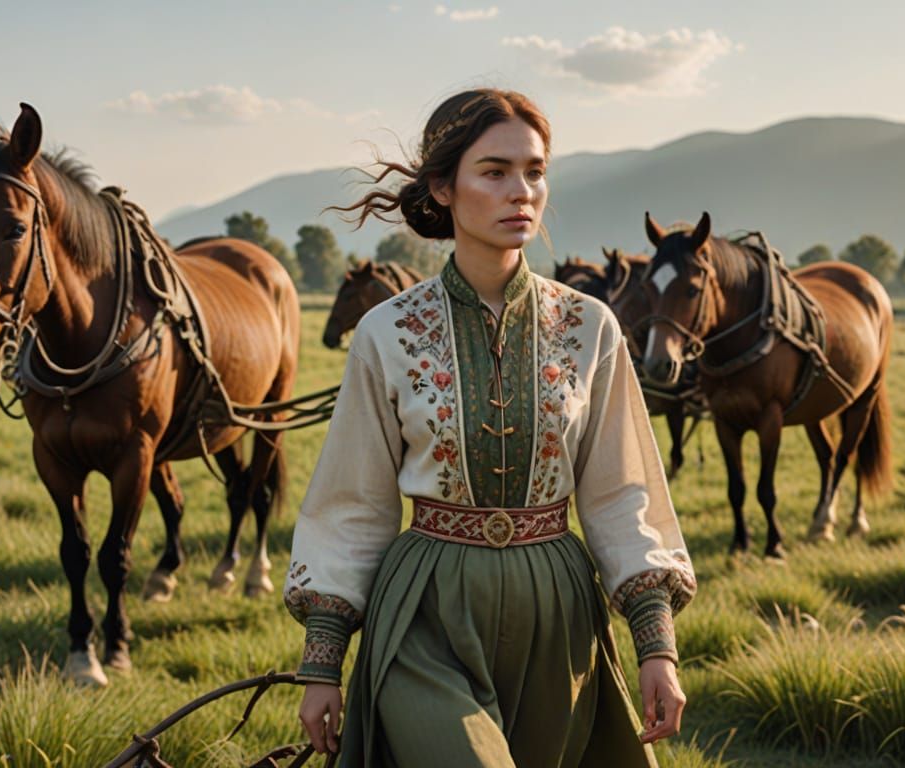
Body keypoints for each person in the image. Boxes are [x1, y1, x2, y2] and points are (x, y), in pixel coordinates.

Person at [284, 88, 696, 767]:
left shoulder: (591, 327)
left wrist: (657, 646)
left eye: (534, 172)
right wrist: (322, 661)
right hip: (426, 608)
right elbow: (351, 503)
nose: (522, 193)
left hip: (557, 612)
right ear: (443, 187)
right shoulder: (386, 332)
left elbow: (624, 493)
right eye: (495, 172)